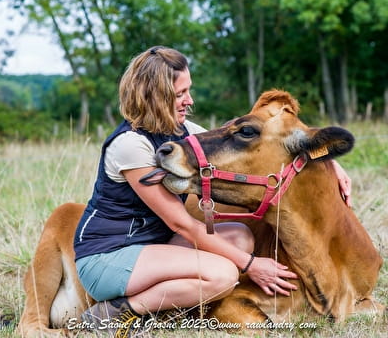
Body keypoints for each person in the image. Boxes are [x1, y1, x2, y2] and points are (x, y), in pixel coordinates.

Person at [74, 46, 351, 331]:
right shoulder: (130, 145)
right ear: (154, 96)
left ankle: (170, 306)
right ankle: (116, 313)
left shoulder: (182, 129)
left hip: (152, 245)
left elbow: (243, 139)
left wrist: (323, 159)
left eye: (188, 91)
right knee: (222, 275)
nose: (188, 100)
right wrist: (251, 265)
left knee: (240, 236)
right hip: (108, 256)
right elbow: (180, 223)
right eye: (179, 94)